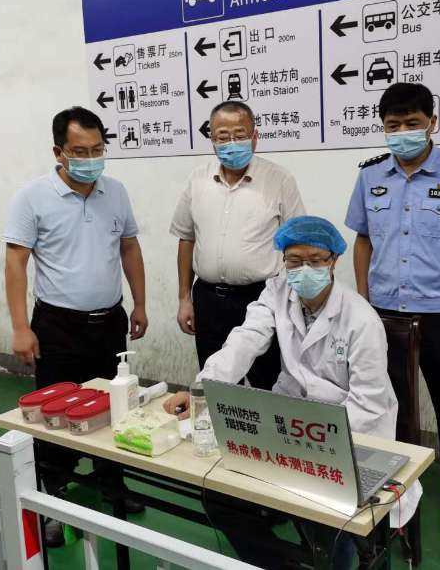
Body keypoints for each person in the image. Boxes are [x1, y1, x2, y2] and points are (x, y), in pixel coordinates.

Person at [165, 216, 422, 570]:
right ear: (283, 260)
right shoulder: (277, 292)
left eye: (315, 260)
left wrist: (317, 440)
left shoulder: (361, 320)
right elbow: (245, 340)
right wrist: (202, 388)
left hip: (349, 434)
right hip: (288, 426)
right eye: (295, 261)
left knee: (326, 521)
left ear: (334, 260)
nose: (304, 270)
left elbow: (368, 404)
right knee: (220, 497)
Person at [345, 83, 440, 543]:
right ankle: (391, 499)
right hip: (386, 317)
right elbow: (363, 240)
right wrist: (364, 303)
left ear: (433, 122)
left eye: (412, 123)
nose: (403, 132)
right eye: (393, 125)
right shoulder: (370, 175)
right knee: (386, 411)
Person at [3, 106, 148, 546]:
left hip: (109, 322)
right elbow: (15, 263)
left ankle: (112, 482)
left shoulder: (116, 192)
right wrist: (20, 327)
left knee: (115, 406)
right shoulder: (32, 197)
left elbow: (129, 248)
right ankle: (54, 491)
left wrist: (140, 303)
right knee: (55, 412)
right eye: (80, 151)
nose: (90, 158)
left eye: (98, 149)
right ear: (59, 152)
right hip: (57, 326)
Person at [170, 100, 304, 390]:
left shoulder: (279, 180)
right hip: (208, 299)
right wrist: (184, 298)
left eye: (240, 135)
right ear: (212, 140)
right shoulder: (197, 179)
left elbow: (298, 243)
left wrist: (292, 302)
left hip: (261, 298)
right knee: (214, 382)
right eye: (223, 136)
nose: (231, 143)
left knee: (266, 383)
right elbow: (186, 238)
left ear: (255, 137)